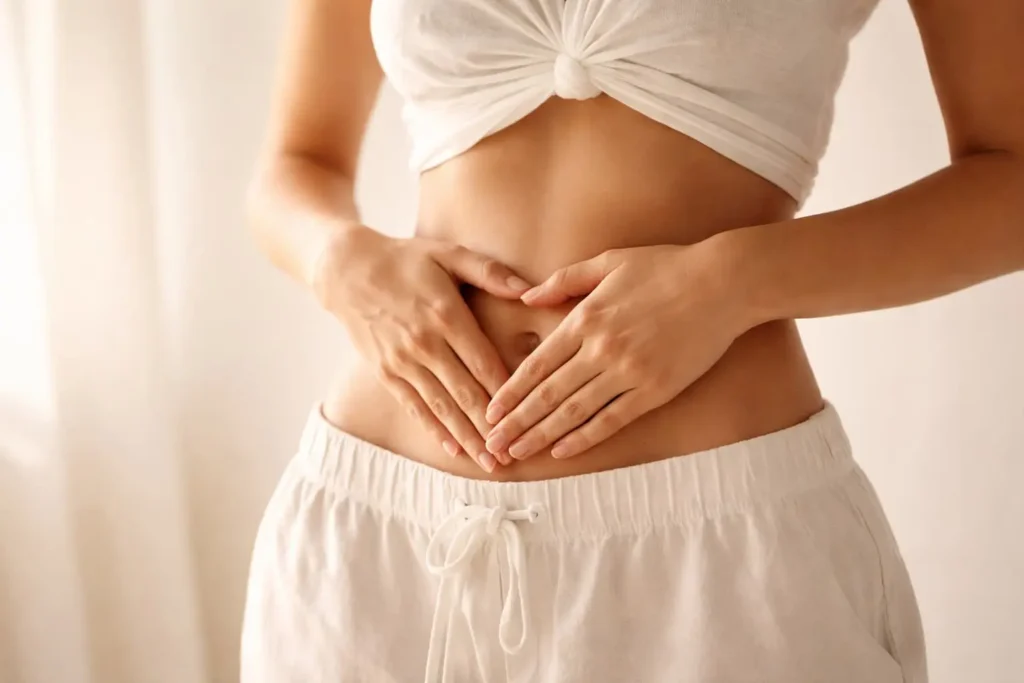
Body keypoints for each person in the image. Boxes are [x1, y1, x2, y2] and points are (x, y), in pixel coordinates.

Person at [240, 0, 1023, 681]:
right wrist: (338, 258)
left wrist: (731, 280)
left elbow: (1010, 177)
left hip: (714, 558)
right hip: (374, 543)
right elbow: (293, 164)